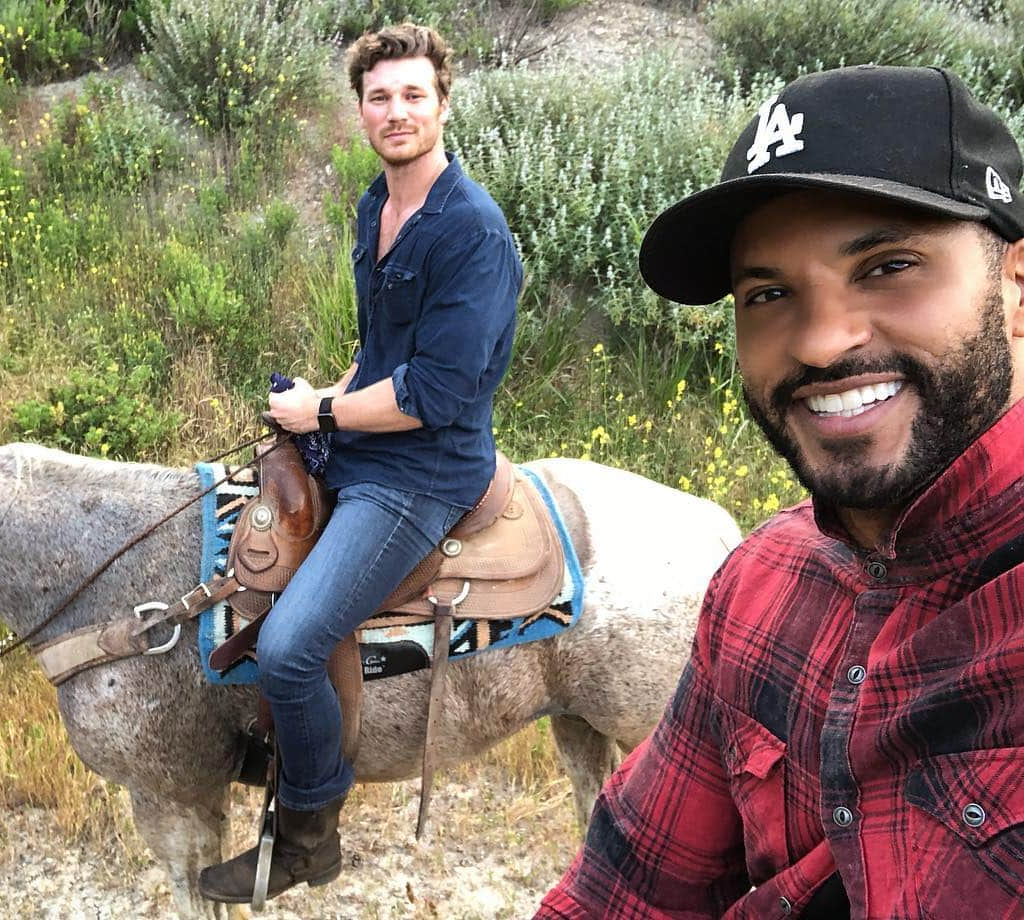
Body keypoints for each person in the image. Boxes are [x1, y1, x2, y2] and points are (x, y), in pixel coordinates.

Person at [537, 65, 1024, 919]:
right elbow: (626, 887)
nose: (824, 343)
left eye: (889, 266)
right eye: (768, 293)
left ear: (1017, 286)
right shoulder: (758, 582)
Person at [198, 23, 522, 903]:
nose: (397, 111)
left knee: (296, 645)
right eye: (380, 97)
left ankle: (310, 833)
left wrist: (323, 411)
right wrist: (320, 399)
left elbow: (429, 393)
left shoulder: (474, 234)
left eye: (414, 94)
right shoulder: (373, 208)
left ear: (443, 103)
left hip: (420, 475)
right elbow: (381, 351)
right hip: (360, 440)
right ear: (361, 112)